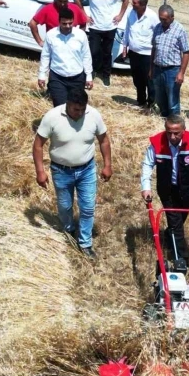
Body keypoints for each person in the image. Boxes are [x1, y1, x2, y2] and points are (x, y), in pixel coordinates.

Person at [32, 88, 112, 259]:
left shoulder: (93, 115)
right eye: (76, 109)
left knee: (88, 207)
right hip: (61, 171)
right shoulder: (52, 117)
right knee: (65, 206)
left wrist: (107, 165)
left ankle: (85, 243)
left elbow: (103, 140)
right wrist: (40, 171)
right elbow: (38, 145)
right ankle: (69, 229)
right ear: (67, 104)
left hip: (87, 169)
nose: (80, 113)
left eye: (83, 109)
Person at [141, 114, 189, 270]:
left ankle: (169, 235)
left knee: (179, 220)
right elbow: (147, 165)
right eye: (169, 132)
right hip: (167, 189)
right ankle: (181, 259)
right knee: (176, 223)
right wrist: (146, 187)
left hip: (188, 188)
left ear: (184, 131)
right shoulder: (156, 143)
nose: (172, 137)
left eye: (176, 133)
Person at [75, 0, 129, 87]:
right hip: (95, 26)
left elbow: (126, 0)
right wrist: (85, 16)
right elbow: (78, 0)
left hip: (110, 26)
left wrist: (120, 15)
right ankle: (91, 73)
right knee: (93, 51)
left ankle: (106, 75)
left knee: (107, 52)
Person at [38, 7, 93, 107]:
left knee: (75, 107)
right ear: (59, 22)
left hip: (77, 78)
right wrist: (42, 75)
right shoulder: (51, 35)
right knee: (60, 107)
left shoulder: (81, 35)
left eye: (70, 23)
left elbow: (86, 56)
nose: (68, 26)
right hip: (57, 77)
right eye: (64, 23)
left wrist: (89, 76)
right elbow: (45, 55)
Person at [150, 5, 189, 118]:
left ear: (172, 17)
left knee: (173, 100)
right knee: (160, 98)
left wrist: (181, 73)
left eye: (165, 19)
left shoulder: (180, 30)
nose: (162, 21)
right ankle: (164, 119)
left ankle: (174, 122)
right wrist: (151, 68)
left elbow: (186, 52)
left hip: (172, 70)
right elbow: (154, 48)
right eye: (160, 18)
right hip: (158, 69)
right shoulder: (157, 28)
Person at [122, 0, 159, 109]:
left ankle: (152, 104)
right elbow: (127, 29)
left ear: (143, 4)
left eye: (135, 3)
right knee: (137, 79)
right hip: (133, 52)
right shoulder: (130, 13)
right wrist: (124, 46)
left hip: (147, 54)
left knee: (149, 80)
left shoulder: (152, 16)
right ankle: (141, 101)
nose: (132, 5)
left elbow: (158, 34)